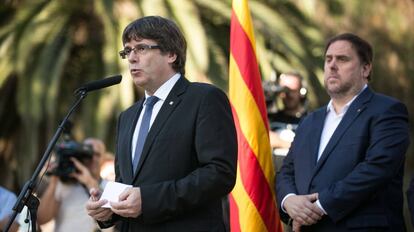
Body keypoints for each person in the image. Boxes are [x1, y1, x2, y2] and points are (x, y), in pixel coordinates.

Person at [85, 16, 237, 232]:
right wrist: (108, 209)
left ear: (171, 54)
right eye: (127, 51)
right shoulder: (128, 117)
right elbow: (126, 184)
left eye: (141, 48)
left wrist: (148, 200)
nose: (132, 58)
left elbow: (219, 173)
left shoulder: (204, 98)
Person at [276, 33, 410, 232]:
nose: (332, 65)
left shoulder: (387, 111)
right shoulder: (310, 120)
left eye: (342, 59)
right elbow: (287, 170)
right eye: (328, 59)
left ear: (366, 68)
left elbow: (377, 169)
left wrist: (318, 207)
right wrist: (289, 200)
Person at [37, 138, 107, 232]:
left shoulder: (109, 186)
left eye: (97, 154)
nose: (92, 158)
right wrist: (55, 180)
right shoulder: (64, 185)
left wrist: (89, 182)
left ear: (104, 158)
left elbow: (108, 216)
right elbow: (41, 219)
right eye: (87, 154)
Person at [267, 72, 307, 172]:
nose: (288, 95)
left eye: (292, 90)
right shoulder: (271, 118)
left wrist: (280, 142)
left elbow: (310, 149)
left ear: (302, 92)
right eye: (284, 90)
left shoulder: (310, 120)